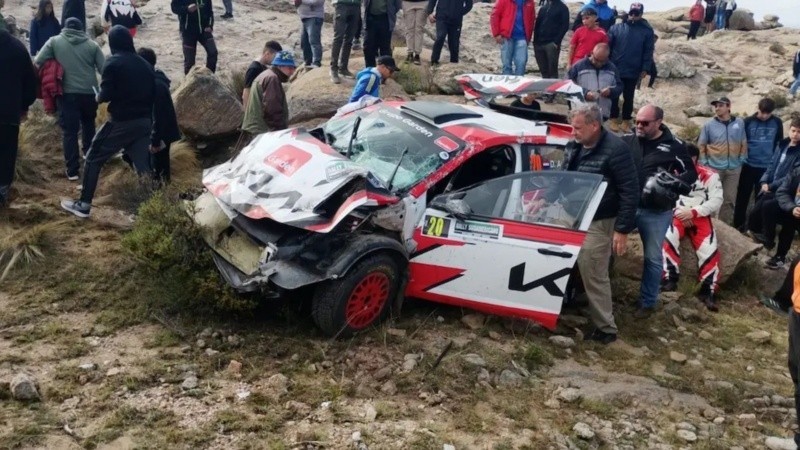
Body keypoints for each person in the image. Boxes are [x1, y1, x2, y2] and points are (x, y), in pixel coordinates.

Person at [60, 26, 155, 219]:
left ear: (112, 43)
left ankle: (84, 205)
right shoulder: (145, 65)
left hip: (121, 121)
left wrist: (98, 97)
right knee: (143, 168)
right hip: (145, 122)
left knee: (93, 157)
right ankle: (153, 212)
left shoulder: (113, 62)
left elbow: (106, 95)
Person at [564, 104, 639, 344]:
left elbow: (630, 191)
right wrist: (544, 198)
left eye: (578, 127)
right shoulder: (575, 145)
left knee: (593, 269)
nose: (573, 132)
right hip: (572, 212)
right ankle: (565, 300)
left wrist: (622, 229)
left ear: (594, 125)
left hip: (600, 219)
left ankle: (606, 328)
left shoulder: (616, 149)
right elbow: (564, 178)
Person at [622, 104, 697, 319]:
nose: (639, 126)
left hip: (656, 211)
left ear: (658, 122)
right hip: (627, 204)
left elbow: (690, 173)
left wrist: (671, 183)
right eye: (637, 121)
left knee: (653, 258)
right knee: (607, 247)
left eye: (645, 123)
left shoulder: (675, 145)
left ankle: (647, 302)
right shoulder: (627, 139)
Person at [34, 17, 105, 181]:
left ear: (64, 28)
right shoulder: (92, 45)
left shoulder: (54, 42)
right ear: (81, 29)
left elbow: (38, 61)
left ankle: (72, 171)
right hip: (89, 92)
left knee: (70, 132)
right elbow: (104, 69)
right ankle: (90, 159)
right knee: (89, 124)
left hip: (66, 94)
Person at [662, 143, 723, 312]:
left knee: (710, 249)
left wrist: (694, 213)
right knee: (668, 237)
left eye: (690, 158)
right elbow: (663, 193)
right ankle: (670, 279)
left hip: (700, 215)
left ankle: (707, 291)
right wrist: (679, 211)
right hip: (677, 213)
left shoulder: (710, 175)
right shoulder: (670, 170)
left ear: (696, 158)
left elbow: (717, 200)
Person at [748, 118, 800, 269]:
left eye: (799, 132)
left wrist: (772, 186)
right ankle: (762, 241)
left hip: (788, 194)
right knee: (758, 211)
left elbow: (789, 175)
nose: (796, 134)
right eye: (794, 130)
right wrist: (765, 181)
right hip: (782, 192)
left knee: (788, 224)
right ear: (789, 130)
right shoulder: (782, 144)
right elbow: (772, 165)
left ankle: (780, 256)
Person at [0, 29, 38, 207]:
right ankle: (2, 193)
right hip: (9, 113)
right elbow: (31, 82)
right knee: (6, 154)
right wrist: (24, 105)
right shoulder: (18, 47)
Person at [734, 98, 784, 230]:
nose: (764, 116)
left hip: (766, 168)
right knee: (742, 197)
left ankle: (755, 228)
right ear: (758, 108)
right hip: (748, 165)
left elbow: (779, 143)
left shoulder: (777, 122)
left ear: (772, 112)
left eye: (768, 113)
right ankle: (738, 225)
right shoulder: (748, 121)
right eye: (762, 112)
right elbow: (741, 142)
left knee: (761, 199)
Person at [698, 96, 747, 224]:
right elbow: (701, 144)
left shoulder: (739, 123)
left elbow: (743, 140)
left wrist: (742, 158)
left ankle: (724, 226)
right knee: (711, 198)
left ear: (728, 106)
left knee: (729, 199)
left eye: (720, 105)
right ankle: (709, 225)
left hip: (734, 168)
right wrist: (705, 164)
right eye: (716, 106)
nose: (717, 108)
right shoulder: (709, 125)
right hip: (714, 168)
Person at [607, 3, 654, 134]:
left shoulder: (647, 31)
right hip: (615, 67)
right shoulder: (616, 28)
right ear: (628, 13)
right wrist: (606, 63)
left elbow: (648, 51)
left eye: (636, 13)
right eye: (631, 13)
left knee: (629, 96)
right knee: (614, 95)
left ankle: (626, 120)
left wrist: (645, 68)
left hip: (634, 69)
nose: (633, 15)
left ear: (641, 14)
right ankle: (613, 118)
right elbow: (608, 46)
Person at [136, 47, 180, 183]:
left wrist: (155, 141)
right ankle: (163, 191)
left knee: (159, 170)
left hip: (160, 135)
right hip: (163, 133)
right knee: (161, 169)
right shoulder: (157, 80)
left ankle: (161, 192)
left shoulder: (155, 85)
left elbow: (158, 115)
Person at [241, 51, 297, 136]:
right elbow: (272, 110)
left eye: (293, 68)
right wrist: (281, 133)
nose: (292, 71)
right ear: (279, 66)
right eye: (289, 68)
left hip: (256, 130)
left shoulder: (267, 75)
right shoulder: (272, 79)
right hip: (261, 132)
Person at [567, 43, 621, 121]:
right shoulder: (578, 66)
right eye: (596, 60)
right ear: (592, 53)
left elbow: (619, 86)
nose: (599, 63)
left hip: (602, 114)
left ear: (607, 58)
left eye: (602, 61)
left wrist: (611, 91)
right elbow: (567, 85)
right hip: (581, 113)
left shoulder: (612, 69)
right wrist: (584, 93)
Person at [490, 0, 536, 76]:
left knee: (521, 64)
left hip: (522, 37)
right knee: (506, 64)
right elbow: (495, 15)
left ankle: (519, 82)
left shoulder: (529, 2)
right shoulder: (503, 1)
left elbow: (532, 19)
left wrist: (528, 36)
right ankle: (507, 82)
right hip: (506, 36)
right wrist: (496, 34)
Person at [171, 0, 217, 75]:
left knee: (213, 52)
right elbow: (174, 8)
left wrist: (210, 25)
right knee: (189, 62)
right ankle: (189, 81)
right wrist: (187, 9)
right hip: (188, 32)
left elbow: (210, 11)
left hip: (204, 30)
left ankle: (209, 77)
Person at [768, 166, 800, 269]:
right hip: (794, 209)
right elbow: (782, 191)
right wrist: (792, 207)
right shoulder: (796, 171)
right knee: (769, 206)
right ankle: (779, 255)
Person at [426, 0, 473, 66]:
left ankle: (454, 63)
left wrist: (460, 12)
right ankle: (434, 61)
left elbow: (469, 5)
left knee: (454, 43)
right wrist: (429, 13)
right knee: (440, 37)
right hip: (442, 17)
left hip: (456, 20)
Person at [532, 0, 569, 79]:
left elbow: (565, 26)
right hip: (539, 43)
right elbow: (537, 24)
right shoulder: (543, 8)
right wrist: (535, 41)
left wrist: (556, 42)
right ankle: (545, 86)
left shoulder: (562, 8)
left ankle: (553, 87)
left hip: (551, 43)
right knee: (543, 70)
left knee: (552, 70)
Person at [242, 41, 282, 108]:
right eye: (275, 57)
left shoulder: (263, 67)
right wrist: (248, 112)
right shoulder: (254, 69)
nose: (276, 60)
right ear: (267, 54)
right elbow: (246, 94)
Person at [329, 0, 361, 84]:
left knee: (349, 39)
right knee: (338, 37)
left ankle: (343, 68)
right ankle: (333, 69)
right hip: (341, 4)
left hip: (356, 5)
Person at [363, 0, 401, 68]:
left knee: (385, 47)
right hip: (370, 19)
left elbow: (397, 4)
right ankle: (370, 69)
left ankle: (386, 69)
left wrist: (391, 11)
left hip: (385, 19)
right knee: (368, 46)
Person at [296, 0, 324, 68]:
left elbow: (317, 2)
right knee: (304, 42)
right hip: (304, 18)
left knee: (314, 40)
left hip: (314, 17)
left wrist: (301, 1)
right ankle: (308, 62)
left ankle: (316, 62)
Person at [403, 0, 427, 64]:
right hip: (407, 3)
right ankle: (410, 53)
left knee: (419, 29)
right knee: (409, 29)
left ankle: (417, 54)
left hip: (423, 3)